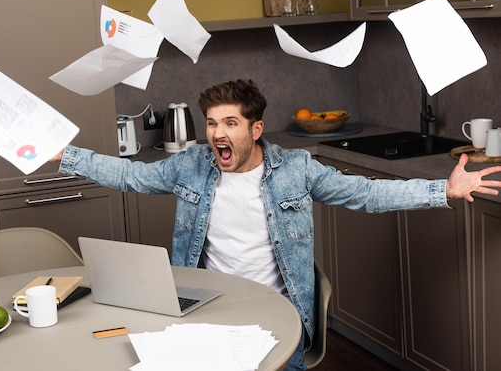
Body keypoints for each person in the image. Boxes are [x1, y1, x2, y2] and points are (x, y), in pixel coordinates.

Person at [50, 79, 501, 370]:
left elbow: (365, 193)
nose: (217, 134)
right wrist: (65, 155)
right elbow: (130, 176)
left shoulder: (297, 170)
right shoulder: (190, 166)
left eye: (230, 122)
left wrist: (442, 190)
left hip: (277, 317)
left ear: (256, 128)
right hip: (205, 312)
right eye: (211, 124)